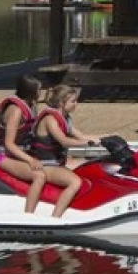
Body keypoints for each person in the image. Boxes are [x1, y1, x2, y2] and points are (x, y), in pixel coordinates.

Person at [25, 84, 92, 218]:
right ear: (62, 103)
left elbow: (83, 136)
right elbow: (64, 141)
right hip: (45, 164)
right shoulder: (50, 119)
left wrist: (107, 137)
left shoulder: (65, 118)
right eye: (73, 101)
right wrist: (87, 144)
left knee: (87, 164)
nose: (76, 104)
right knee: (75, 182)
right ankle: (55, 218)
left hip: (57, 162)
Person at [0, 74, 43, 183]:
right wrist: (31, 160)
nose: (41, 92)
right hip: (6, 157)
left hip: (26, 154)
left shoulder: (32, 105)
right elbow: (9, 144)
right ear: (31, 92)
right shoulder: (16, 111)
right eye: (39, 89)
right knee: (39, 176)